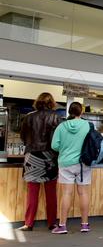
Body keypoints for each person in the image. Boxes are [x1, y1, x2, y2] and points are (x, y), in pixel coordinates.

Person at [17, 92, 63, 231]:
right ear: (52, 103)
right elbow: (58, 140)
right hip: (50, 157)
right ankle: (52, 223)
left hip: (32, 156)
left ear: (37, 102)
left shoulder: (29, 116)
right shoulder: (57, 117)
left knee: (32, 191)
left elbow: (23, 137)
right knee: (51, 193)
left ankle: (28, 223)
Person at [50, 102, 91, 234]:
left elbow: (54, 146)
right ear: (81, 112)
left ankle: (62, 226)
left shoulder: (61, 126)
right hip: (83, 163)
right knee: (83, 193)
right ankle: (84, 225)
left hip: (66, 163)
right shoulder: (87, 125)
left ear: (69, 112)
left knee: (66, 193)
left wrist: (65, 148)